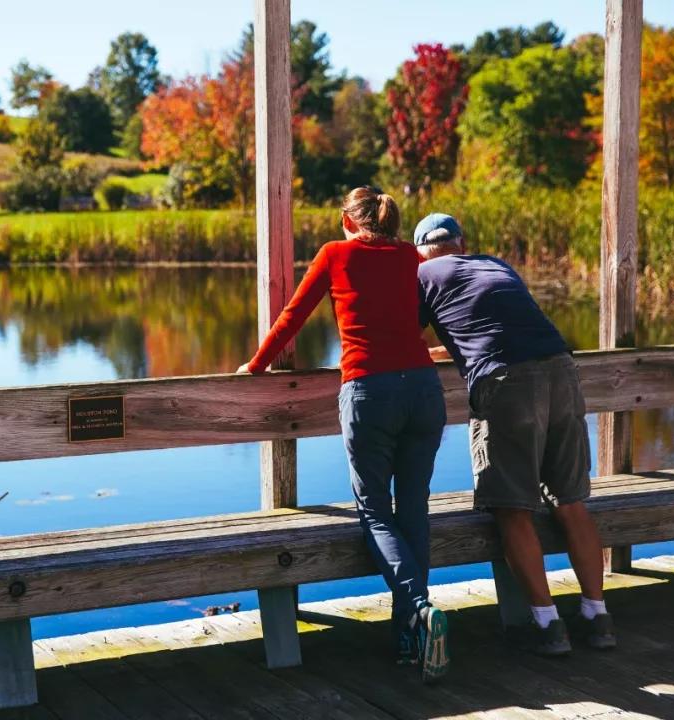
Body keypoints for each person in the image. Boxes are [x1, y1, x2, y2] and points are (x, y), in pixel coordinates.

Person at [238, 187, 450, 682]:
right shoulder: (412, 258)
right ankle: (410, 638)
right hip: (424, 390)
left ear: (348, 220)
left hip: (370, 392)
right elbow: (428, 319)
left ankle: (419, 607)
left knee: (374, 510)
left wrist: (256, 365)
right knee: (413, 508)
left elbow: (293, 316)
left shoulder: (336, 254)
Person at [413, 212, 617, 656]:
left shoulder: (423, 276)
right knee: (571, 502)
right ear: (461, 244)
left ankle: (547, 625)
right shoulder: (494, 264)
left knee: (511, 509)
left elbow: (402, 339)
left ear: (420, 252)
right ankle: (597, 615)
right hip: (560, 368)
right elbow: (493, 326)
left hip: (506, 382)